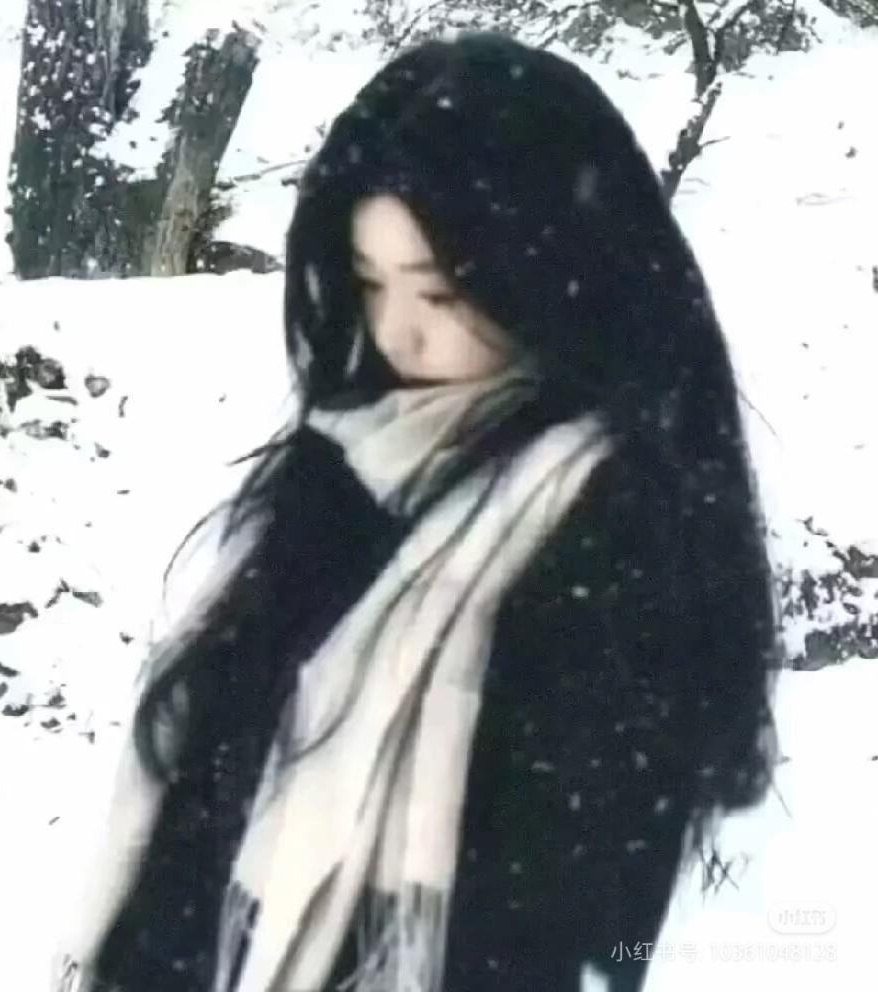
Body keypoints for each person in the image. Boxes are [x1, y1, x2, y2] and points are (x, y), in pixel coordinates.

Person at [53, 31, 781, 992]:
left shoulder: (612, 524)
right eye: (369, 283)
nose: (398, 333)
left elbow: (581, 916)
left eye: (439, 292)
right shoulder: (345, 463)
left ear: (547, 270)